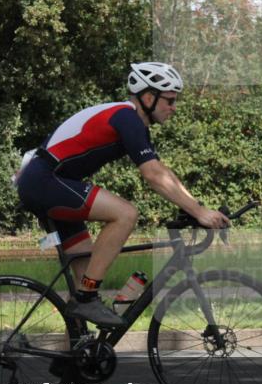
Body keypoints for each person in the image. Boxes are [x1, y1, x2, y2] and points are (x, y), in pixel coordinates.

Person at [15, 62, 230, 326]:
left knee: (85, 275)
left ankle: (79, 347)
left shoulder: (133, 123)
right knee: (125, 214)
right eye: (170, 100)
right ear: (148, 97)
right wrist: (199, 212)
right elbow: (152, 175)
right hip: (45, 181)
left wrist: (196, 207)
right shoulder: (126, 117)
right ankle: (86, 299)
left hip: (51, 182)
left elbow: (163, 173)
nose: (174, 107)